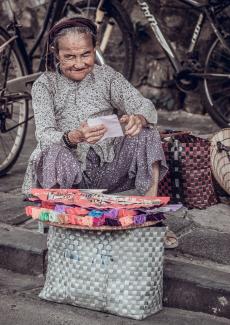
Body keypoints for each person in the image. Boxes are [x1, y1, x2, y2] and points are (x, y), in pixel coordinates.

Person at [22, 16, 169, 199]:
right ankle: (59, 214)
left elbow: (142, 104)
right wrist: (73, 137)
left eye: (86, 54)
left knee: (147, 132)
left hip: (106, 168)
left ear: (94, 49)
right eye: (69, 57)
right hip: (66, 174)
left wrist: (138, 118)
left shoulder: (107, 76)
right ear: (56, 53)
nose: (79, 64)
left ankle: (149, 207)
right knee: (53, 151)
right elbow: (44, 134)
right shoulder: (45, 85)